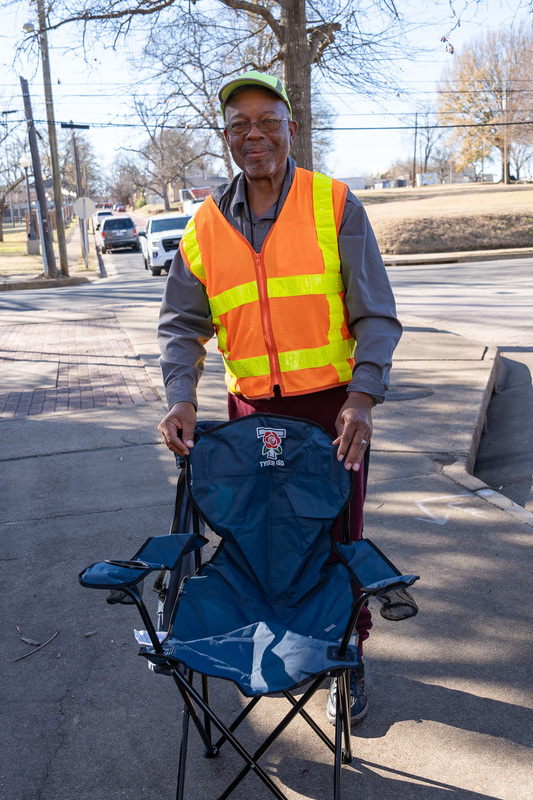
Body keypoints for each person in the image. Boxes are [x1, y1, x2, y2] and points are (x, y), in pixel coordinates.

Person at [158, 70, 404, 726]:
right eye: (239, 125)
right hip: (250, 418)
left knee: (336, 536)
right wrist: (180, 397)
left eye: (267, 120)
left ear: (291, 128)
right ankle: (281, 644)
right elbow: (183, 324)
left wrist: (364, 395)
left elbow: (375, 313)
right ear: (228, 138)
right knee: (262, 544)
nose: (253, 134)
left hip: (331, 412)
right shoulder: (203, 227)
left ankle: (347, 652)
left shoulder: (333, 204)